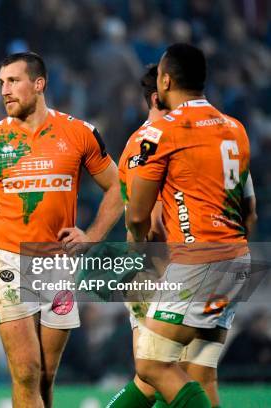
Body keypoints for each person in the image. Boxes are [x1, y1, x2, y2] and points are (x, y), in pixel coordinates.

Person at [0, 52, 123, 407]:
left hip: (58, 264)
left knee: (46, 374)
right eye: (1, 82)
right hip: (8, 260)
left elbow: (118, 187)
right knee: (25, 371)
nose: (4, 90)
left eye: (13, 81)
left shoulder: (79, 132)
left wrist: (94, 234)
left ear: (39, 84)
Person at [127, 43, 257, 408]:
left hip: (198, 261)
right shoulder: (235, 129)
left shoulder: (164, 131)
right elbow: (251, 213)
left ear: (165, 81)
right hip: (237, 260)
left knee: (151, 363)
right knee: (200, 372)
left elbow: (138, 216)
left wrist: (139, 245)